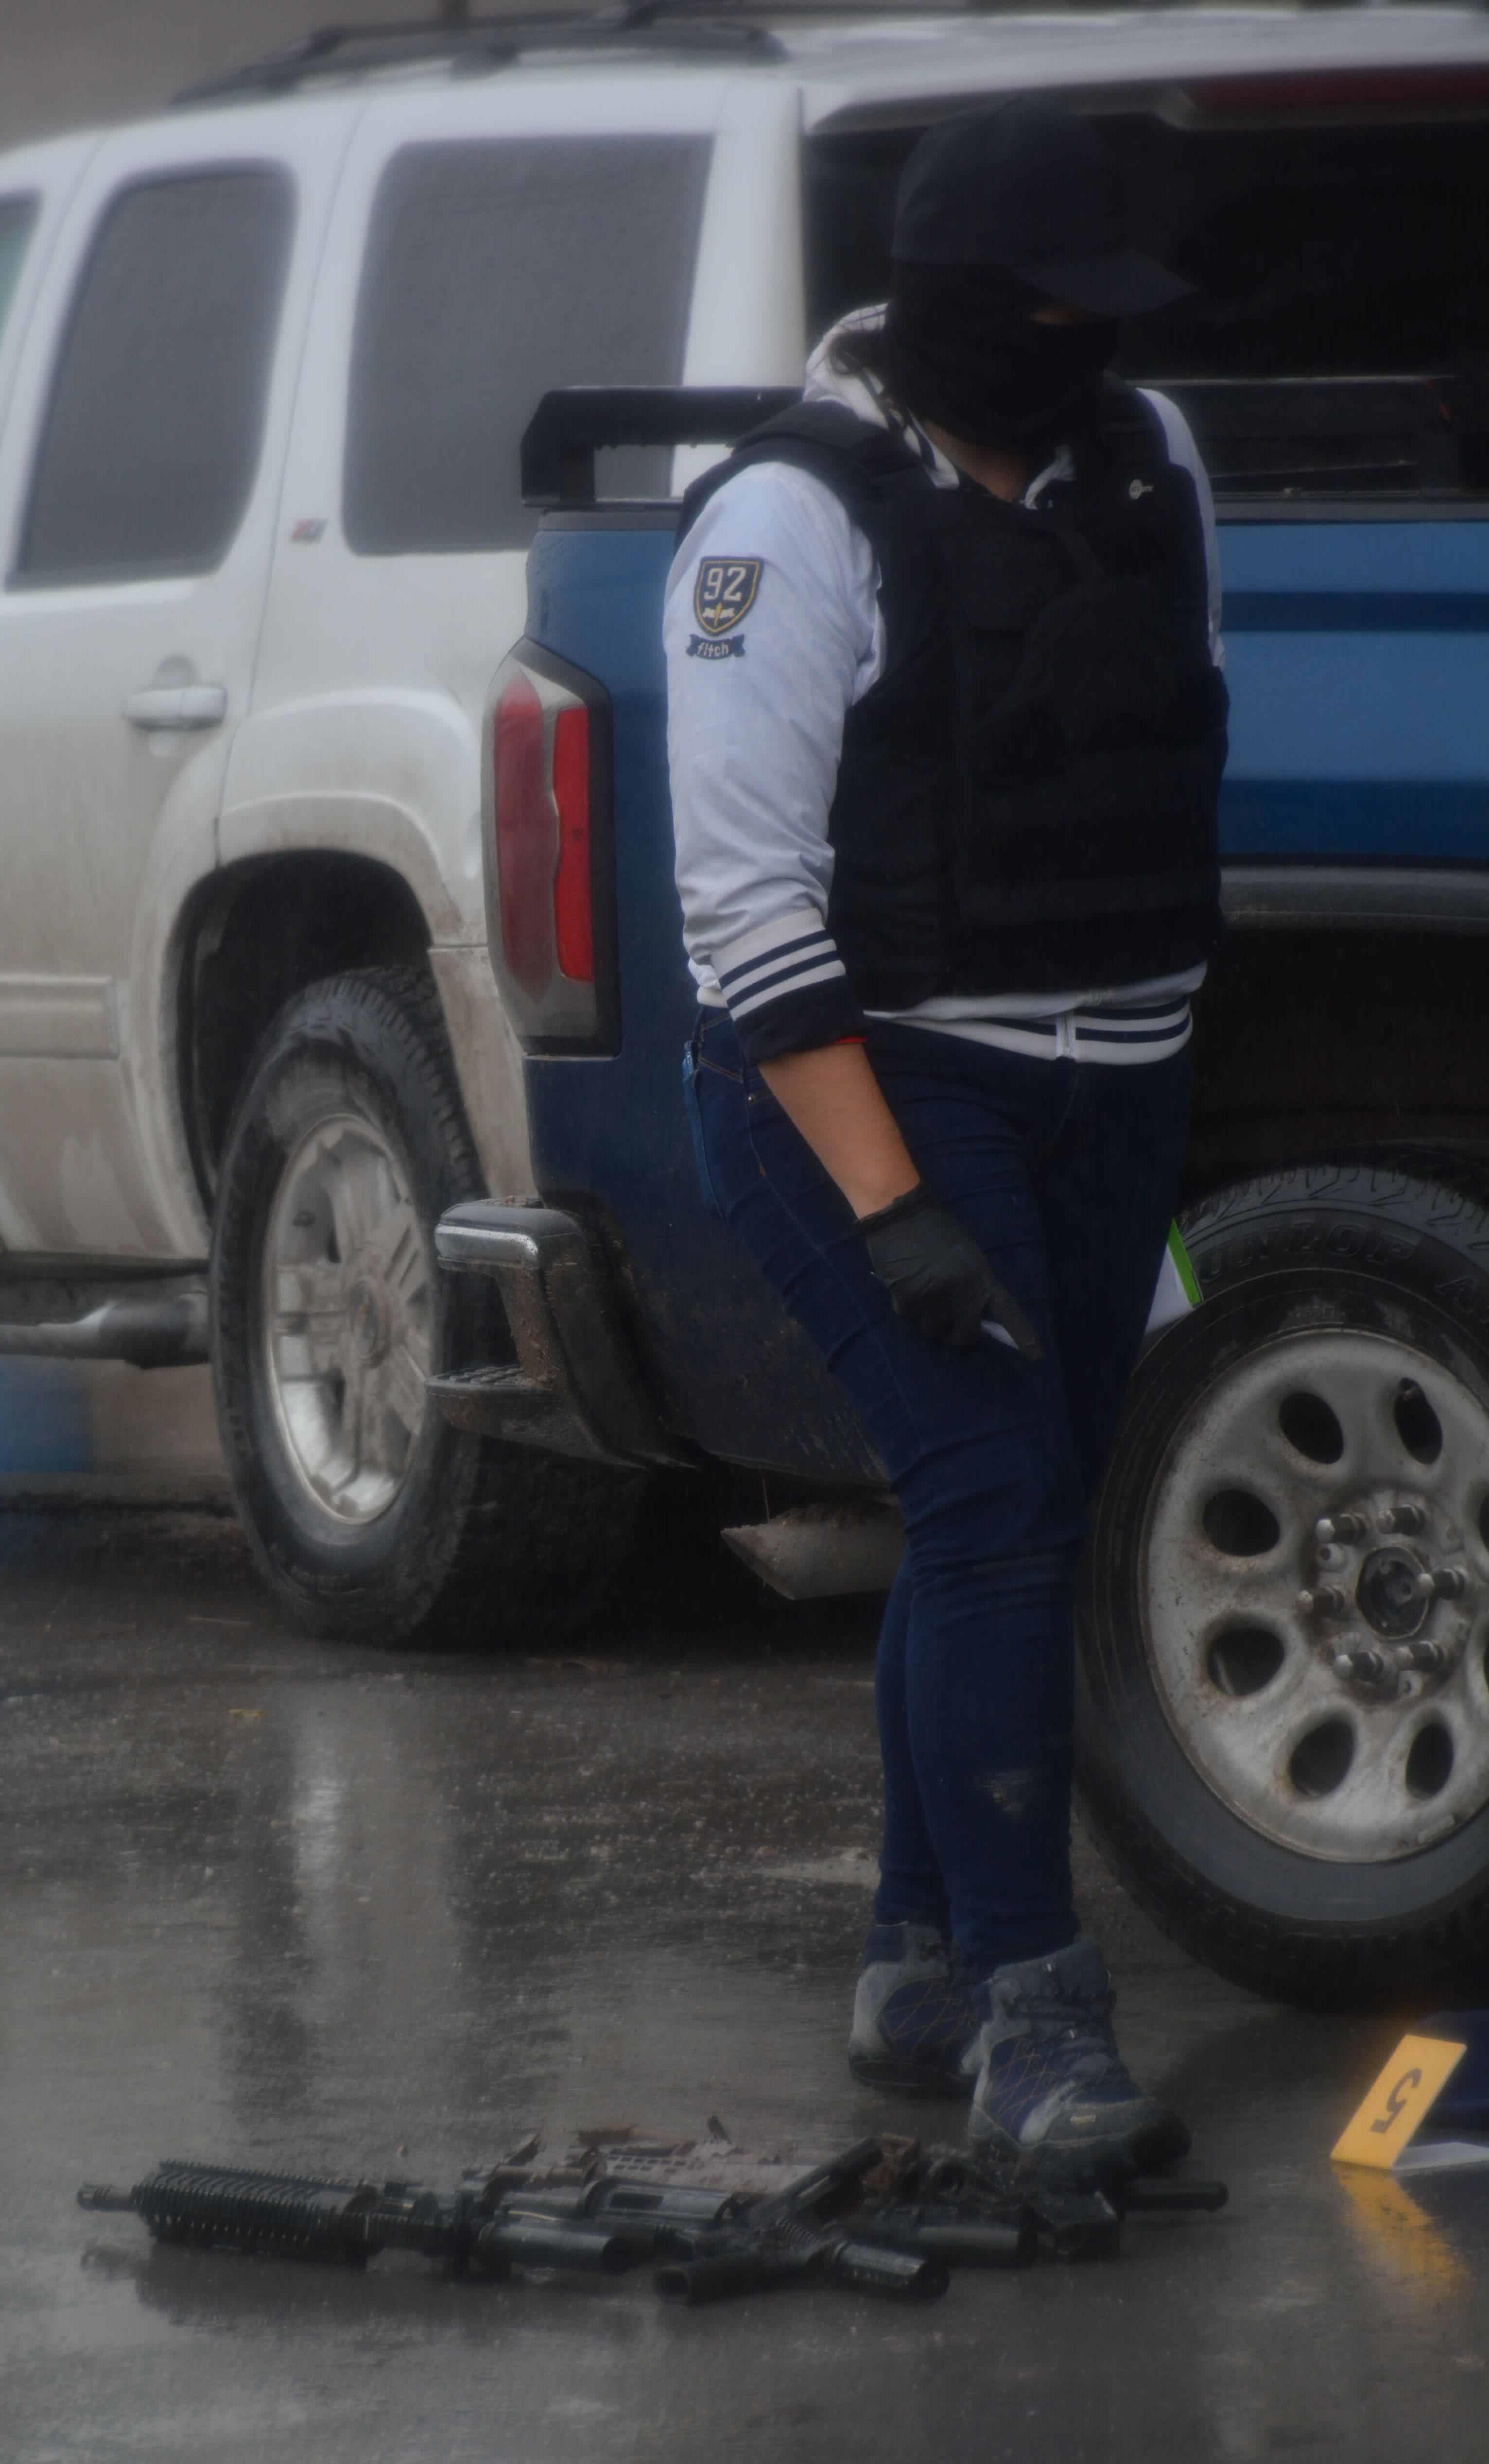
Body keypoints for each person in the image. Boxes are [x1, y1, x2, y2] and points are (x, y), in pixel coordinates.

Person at [667, 101, 1226, 2170]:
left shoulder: (1149, 460)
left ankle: (914, 1953)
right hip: (873, 1082)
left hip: (1116, 1073)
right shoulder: (785, 524)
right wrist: (891, 1203)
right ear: (972, 307)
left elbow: (1174, 737)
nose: (1104, 348)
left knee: (1012, 1501)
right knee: (991, 1503)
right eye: (1072, 309)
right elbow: (739, 911)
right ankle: (1032, 2023)